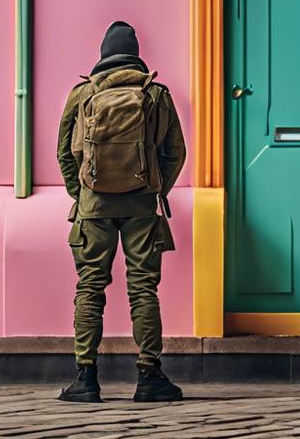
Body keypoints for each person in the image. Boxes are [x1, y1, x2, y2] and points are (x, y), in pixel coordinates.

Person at [56, 21, 187, 404]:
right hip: (142, 205)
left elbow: (64, 153)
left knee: (90, 287)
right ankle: (149, 376)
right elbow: (175, 152)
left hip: (93, 207)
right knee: (143, 288)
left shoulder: (82, 94)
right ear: (135, 54)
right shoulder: (156, 94)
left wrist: (82, 194)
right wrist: (155, 188)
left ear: (103, 55)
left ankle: (86, 378)